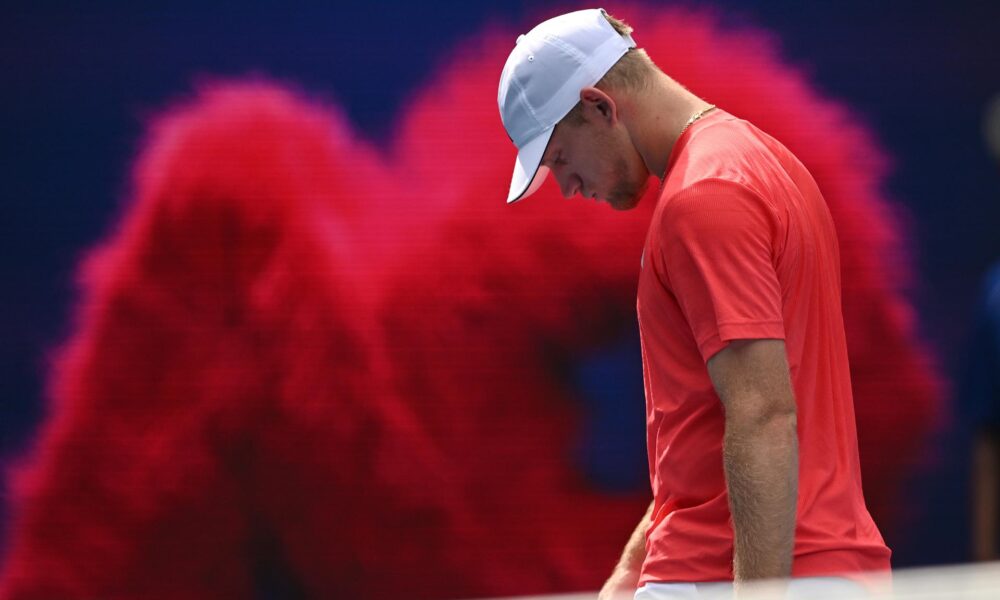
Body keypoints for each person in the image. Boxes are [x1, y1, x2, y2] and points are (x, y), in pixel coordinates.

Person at [497, 8, 892, 598]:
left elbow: (763, 416)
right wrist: (630, 575)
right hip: (810, 568)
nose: (568, 186)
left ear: (600, 106)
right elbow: (703, 439)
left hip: (730, 577)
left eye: (558, 159)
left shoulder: (702, 197)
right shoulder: (761, 162)